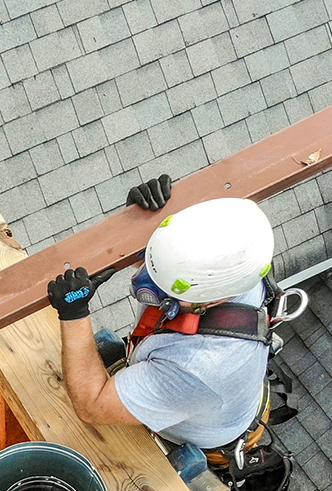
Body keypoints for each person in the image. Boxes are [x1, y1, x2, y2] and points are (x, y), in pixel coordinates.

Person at [46, 179, 279, 455]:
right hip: (210, 397)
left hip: (207, 431)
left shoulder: (198, 368)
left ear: (213, 299)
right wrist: (140, 226)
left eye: (167, 289)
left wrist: (74, 312)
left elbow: (92, 405)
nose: (147, 282)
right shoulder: (232, 250)